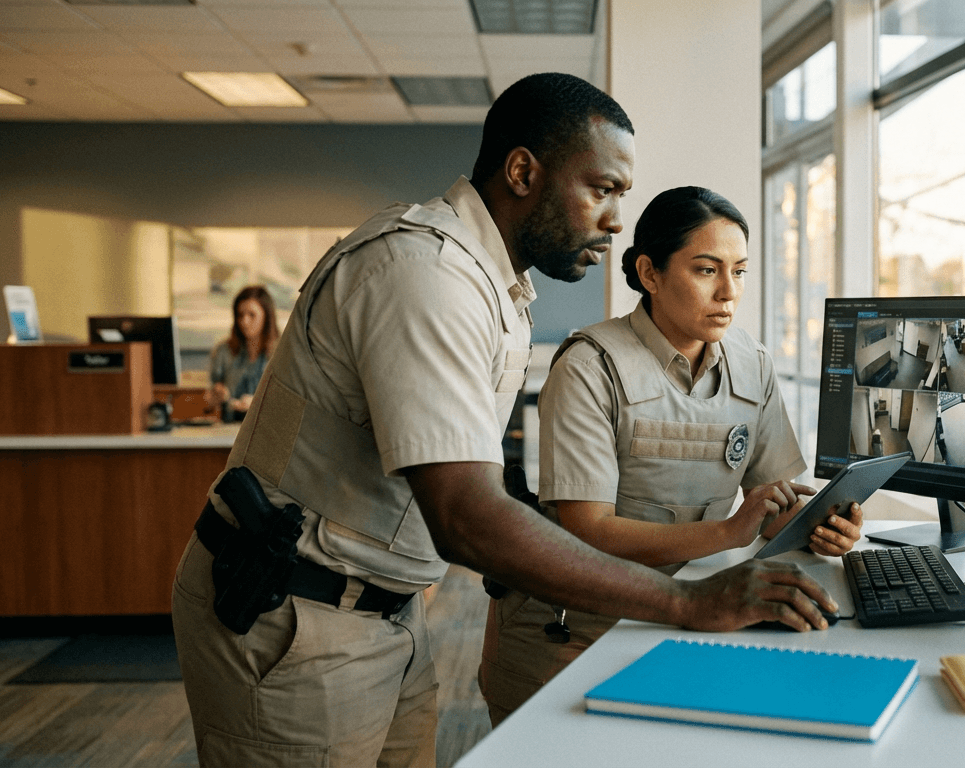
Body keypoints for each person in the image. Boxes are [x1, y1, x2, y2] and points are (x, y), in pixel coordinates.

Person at [170, 73, 836, 767]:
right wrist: (687, 603)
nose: (614, 220)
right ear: (523, 172)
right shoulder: (425, 274)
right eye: (602, 190)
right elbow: (464, 517)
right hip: (295, 614)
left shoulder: (500, 291)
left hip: (389, 611)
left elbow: (459, 478)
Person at [479, 187, 865, 725]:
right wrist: (731, 532)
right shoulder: (590, 366)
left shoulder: (751, 363)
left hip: (691, 616)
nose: (729, 292)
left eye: (740, 271)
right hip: (573, 631)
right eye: (707, 270)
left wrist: (814, 522)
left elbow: (766, 504)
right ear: (651, 273)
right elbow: (589, 530)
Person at [206, 285, 278, 422]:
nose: (244, 322)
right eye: (240, 315)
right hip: (228, 431)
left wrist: (258, 404)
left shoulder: (281, 353)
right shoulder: (224, 351)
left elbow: (288, 402)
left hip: (267, 432)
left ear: (266, 316)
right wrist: (216, 395)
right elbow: (207, 402)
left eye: (252, 315)